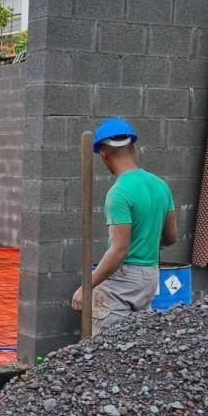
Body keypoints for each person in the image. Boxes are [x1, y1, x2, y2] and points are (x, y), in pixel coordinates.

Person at [71, 118, 177, 334]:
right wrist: (146, 236)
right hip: (150, 276)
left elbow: (119, 250)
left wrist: (86, 286)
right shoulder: (160, 185)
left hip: (123, 279)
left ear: (103, 153)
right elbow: (170, 238)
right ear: (133, 147)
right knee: (133, 348)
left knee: (104, 350)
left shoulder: (119, 193)